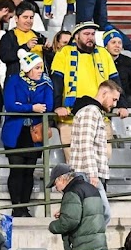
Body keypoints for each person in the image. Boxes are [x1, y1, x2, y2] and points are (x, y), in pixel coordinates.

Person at [50, 21, 121, 152]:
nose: (90, 37)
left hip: (100, 118)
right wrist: (57, 106)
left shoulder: (103, 53)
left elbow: (114, 82)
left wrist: (122, 105)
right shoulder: (64, 53)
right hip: (71, 119)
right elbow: (56, 83)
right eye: (86, 34)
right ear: (76, 36)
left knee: (105, 157)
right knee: (74, 162)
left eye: (93, 34)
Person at [48, 164, 109, 250]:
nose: (57, 188)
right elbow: (92, 213)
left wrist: (53, 226)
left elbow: (69, 222)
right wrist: (65, 212)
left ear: (61, 179)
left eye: (56, 184)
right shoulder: (91, 189)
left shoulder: (72, 192)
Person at [68, 77, 122, 205]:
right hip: (87, 173)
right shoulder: (91, 111)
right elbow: (86, 144)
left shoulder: (92, 111)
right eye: (113, 99)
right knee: (102, 212)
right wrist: (92, 174)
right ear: (104, 93)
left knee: (93, 214)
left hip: (87, 172)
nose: (114, 105)